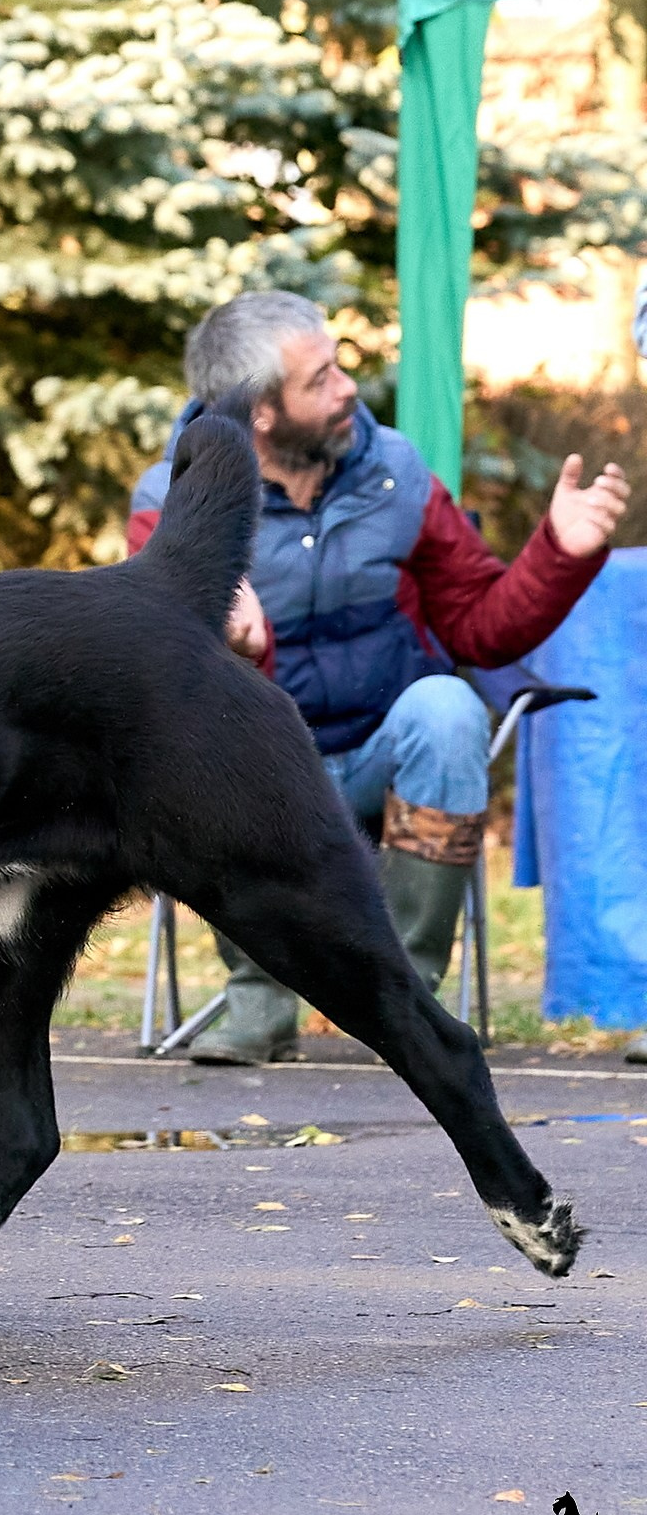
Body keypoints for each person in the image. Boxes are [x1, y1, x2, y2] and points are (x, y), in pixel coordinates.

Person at [129, 291, 628, 1064]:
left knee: (448, 706)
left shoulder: (394, 473)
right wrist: (234, 648)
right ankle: (259, 1003)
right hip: (262, 771)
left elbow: (479, 625)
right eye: (320, 378)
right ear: (261, 412)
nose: (347, 387)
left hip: (377, 757)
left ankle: (405, 997)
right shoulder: (174, 505)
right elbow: (157, 684)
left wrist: (560, 551)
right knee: (206, 730)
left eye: (339, 366)